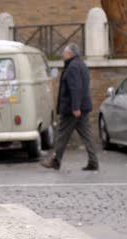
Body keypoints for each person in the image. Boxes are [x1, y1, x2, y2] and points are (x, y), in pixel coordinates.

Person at [41, 43, 99, 171]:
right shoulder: (81, 64)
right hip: (81, 107)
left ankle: (55, 160)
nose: (63, 55)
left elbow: (75, 88)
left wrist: (75, 107)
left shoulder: (72, 67)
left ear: (70, 54)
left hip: (72, 109)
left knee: (62, 134)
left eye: (65, 53)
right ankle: (93, 161)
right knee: (87, 135)